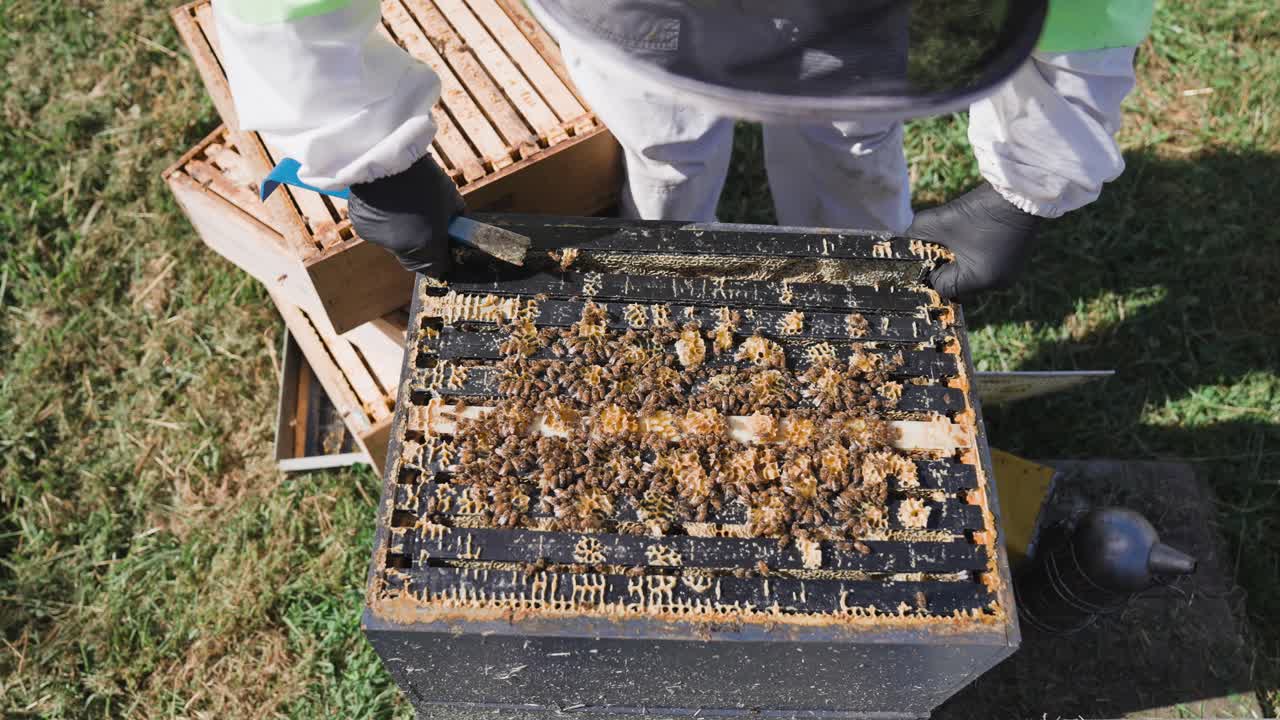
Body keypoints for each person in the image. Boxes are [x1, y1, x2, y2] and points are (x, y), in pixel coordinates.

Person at [213, 0, 1153, 298]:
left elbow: (1092, 10)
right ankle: (662, 255)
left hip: (858, 29)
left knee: (850, 142)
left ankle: (860, 277)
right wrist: (366, 160)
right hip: (638, 18)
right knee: (662, 136)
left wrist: (1032, 183)